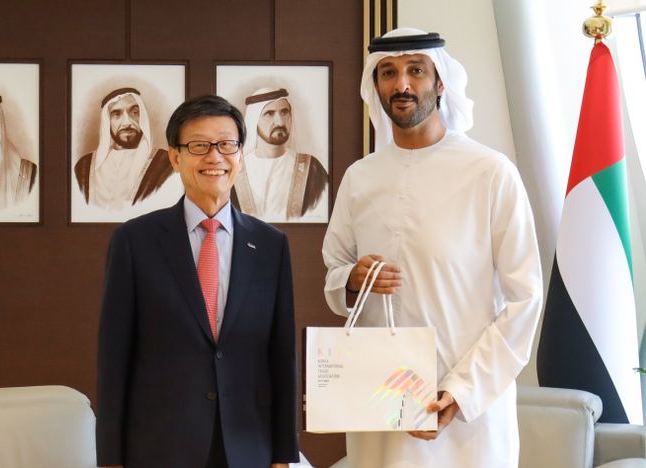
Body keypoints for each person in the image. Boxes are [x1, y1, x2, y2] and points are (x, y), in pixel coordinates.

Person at [322, 27, 543, 468]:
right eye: (388, 72)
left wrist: (459, 392)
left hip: (469, 412)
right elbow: (334, 269)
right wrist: (352, 279)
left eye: (416, 71)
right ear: (376, 86)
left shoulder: (490, 172)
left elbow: (525, 299)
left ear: (440, 82)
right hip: (382, 401)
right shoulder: (359, 177)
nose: (401, 84)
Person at [95, 94, 299, 468]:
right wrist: (110, 459)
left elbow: (282, 357)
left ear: (240, 154)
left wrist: (283, 455)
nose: (214, 157)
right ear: (175, 157)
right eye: (199, 146)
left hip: (248, 447)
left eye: (226, 145)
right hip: (160, 448)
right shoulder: (134, 241)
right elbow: (113, 359)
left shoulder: (271, 245)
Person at [232, 87, 327, 222]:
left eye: (284, 112)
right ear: (254, 120)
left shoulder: (312, 168)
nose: (280, 122)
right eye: (269, 114)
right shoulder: (234, 172)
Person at [74, 87, 173, 210]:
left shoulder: (165, 163)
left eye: (134, 112)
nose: (127, 123)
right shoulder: (84, 166)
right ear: (107, 121)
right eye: (117, 114)